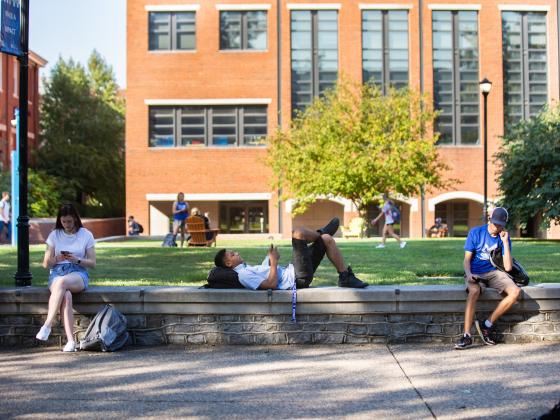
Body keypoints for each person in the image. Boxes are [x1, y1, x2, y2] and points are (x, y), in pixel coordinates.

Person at [214, 217, 368, 290]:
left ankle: (345, 277)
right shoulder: (243, 275)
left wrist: (268, 258)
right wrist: (274, 262)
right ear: (228, 263)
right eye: (233, 254)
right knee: (298, 232)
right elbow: (271, 285)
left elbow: (266, 274)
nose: (237, 253)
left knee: (327, 240)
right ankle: (320, 232)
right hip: (295, 278)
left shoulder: (246, 270)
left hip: (295, 271)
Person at [455, 207, 521, 349]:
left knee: (515, 292)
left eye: (500, 225)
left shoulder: (503, 237)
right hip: (475, 272)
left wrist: (504, 243)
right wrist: (469, 273)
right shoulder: (476, 233)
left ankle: (487, 325)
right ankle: (467, 335)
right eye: (495, 223)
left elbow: (508, 267)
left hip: (494, 273)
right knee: (474, 291)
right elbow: (466, 260)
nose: (496, 227)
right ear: (489, 219)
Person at [35, 203, 96, 352]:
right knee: (66, 296)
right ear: (59, 220)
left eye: (69, 221)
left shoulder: (86, 234)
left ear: (75, 218)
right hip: (57, 271)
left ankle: (47, 325)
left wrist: (77, 260)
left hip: (78, 272)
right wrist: (57, 258)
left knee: (62, 283)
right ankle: (70, 341)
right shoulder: (54, 235)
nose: (66, 225)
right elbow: (45, 264)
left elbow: (92, 263)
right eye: (64, 221)